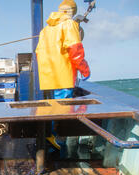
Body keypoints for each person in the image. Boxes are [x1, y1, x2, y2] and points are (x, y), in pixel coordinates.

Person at [35, 0, 90, 150]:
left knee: (52, 107)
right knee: (63, 109)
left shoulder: (45, 30)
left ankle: (50, 136)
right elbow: (75, 51)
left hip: (47, 77)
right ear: (71, 11)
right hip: (63, 76)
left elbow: (39, 52)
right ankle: (60, 141)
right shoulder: (69, 24)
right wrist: (85, 70)